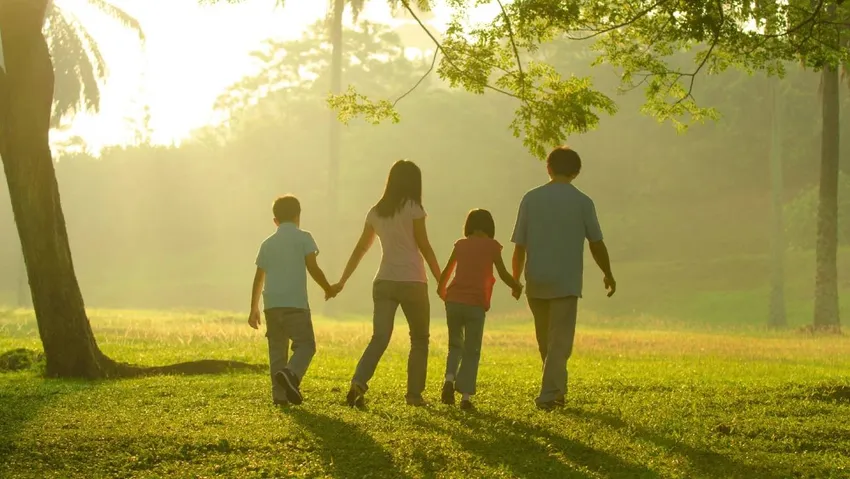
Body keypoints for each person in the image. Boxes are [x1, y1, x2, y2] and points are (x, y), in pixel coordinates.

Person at [510, 146, 616, 410]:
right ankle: (548, 395)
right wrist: (608, 272)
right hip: (566, 281)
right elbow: (596, 242)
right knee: (560, 342)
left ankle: (557, 390)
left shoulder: (531, 199)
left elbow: (519, 245)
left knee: (545, 341)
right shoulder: (583, 201)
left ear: (548, 168)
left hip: (536, 278)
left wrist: (515, 278)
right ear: (576, 172)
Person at [334, 159, 442, 407]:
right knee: (420, 339)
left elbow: (361, 247)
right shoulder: (414, 207)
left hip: (384, 281)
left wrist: (342, 280)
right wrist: (441, 279)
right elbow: (424, 245)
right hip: (413, 280)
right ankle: (414, 396)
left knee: (380, 337)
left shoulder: (376, 211)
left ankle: (359, 380)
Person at [248, 195, 336, 406]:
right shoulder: (304, 237)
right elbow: (312, 268)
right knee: (306, 345)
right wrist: (327, 287)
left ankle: (279, 396)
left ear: (275, 220)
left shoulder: (267, 244)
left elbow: (259, 277)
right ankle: (291, 373)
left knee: (277, 350)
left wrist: (254, 308)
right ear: (298, 216)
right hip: (295, 304)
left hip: (272, 305)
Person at [437, 209, 523, 411]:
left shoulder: (461, 245)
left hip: (454, 301)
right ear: (489, 227)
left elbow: (448, 270)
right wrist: (516, 286)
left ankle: (449, 380)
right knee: (472, 350)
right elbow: (502, 273)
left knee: (455, 345)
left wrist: (442, 290)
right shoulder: (492, 246)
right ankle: (465, 398)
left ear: (469, 226)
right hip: (475, 304)